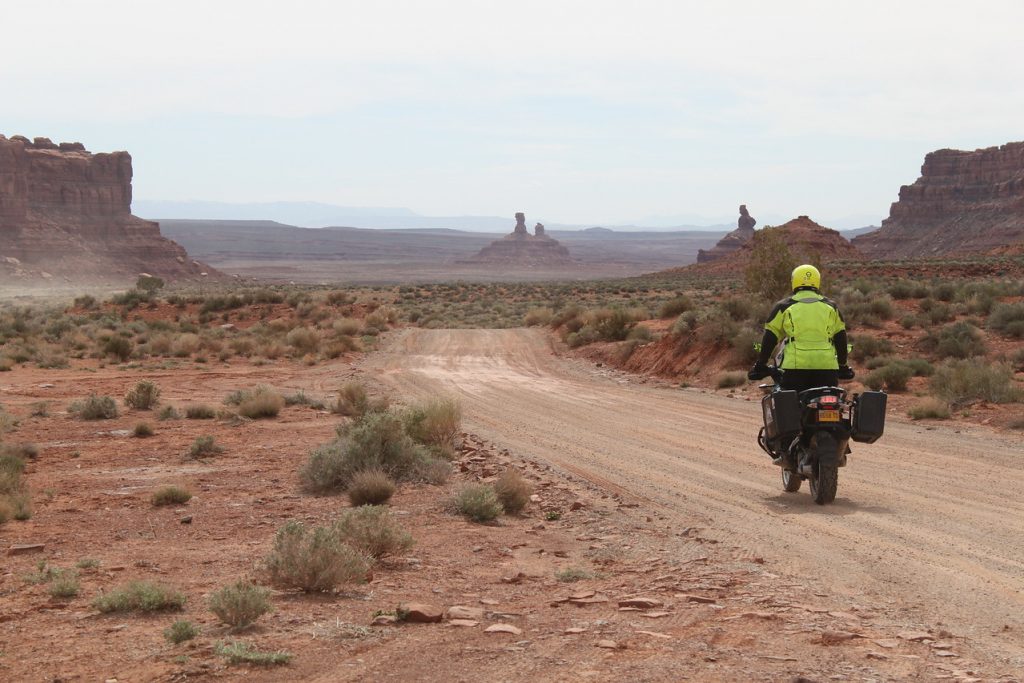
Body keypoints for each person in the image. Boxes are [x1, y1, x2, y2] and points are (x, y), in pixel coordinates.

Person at [747, 264, 854, 393]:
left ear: (794, 281)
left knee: (790, 407)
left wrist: (761, 364)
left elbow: (770, 337)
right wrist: (843, 365)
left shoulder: (784, 306)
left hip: (795, 367)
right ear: (817, 281)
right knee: (832, 401)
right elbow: (840, 338)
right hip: (827, 366)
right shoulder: (831, 307)